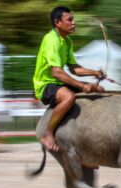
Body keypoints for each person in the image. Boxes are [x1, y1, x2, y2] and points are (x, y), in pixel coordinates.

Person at [33, 6, 105, 152]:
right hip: (45, 84)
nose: (74, 23)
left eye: (74, 20)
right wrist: (81, 86)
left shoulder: (67, 41)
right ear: (57, 22)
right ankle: (48, 133)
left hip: (59, 82)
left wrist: (95, 73)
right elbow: (57, 73)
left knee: (99, 89)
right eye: (70, 20)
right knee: (68, 97)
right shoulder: (51, 40)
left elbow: (74, 69)